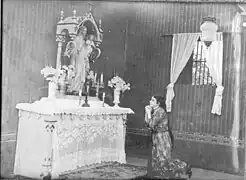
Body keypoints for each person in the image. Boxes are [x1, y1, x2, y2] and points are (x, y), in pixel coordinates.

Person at [144, 95, 192, 179]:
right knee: (157, 158)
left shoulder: (160, 112)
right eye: (151, 100)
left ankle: (185, 167)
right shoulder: (155, 111)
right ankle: (162, 176)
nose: (150, 101)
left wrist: (148, 113)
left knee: (165, 160)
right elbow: (147, 124)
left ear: (158, 103)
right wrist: (147, 113)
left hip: (162, 137)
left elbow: (151, 124)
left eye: (152, 100)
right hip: (156, 137)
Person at [64, 26, 93, 93]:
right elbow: (72, 50)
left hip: (82, 60)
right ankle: (73, 89)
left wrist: (88, 48)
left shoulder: (84, 41)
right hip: (76, 59)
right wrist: (78, 50)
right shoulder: (76, 39)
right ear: (81, 31)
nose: (85, 32)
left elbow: (86, 52)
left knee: (82, 74)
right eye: (84, 31)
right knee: (77, 72)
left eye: (86, 31)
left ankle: (79, 89)